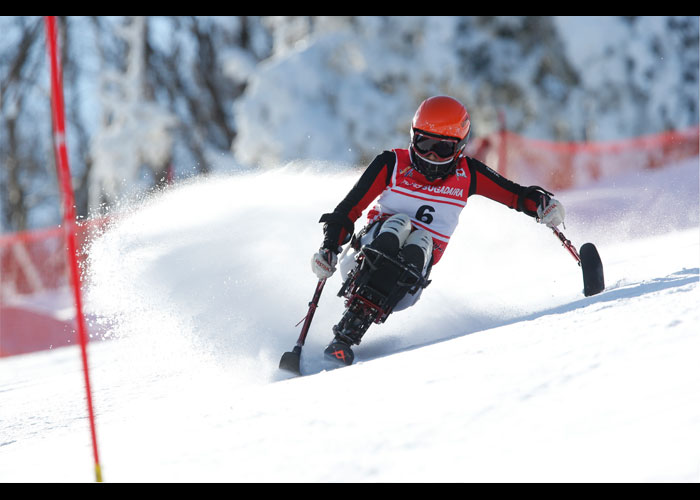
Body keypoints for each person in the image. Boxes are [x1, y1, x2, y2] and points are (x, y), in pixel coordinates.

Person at [311, 95, 565, 366]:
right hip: (365, 255)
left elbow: (514, 195)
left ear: (458, 148)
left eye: (442, 149)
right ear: (413, 137)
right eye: (425, 144)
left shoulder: (468, 174)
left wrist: (541, 204)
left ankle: (354, 328)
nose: (431, 155)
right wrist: (330, 246)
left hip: (410, 279)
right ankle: (347, 334)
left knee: (421, 240)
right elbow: (348, 209)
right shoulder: (392, 164)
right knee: (399, 225)